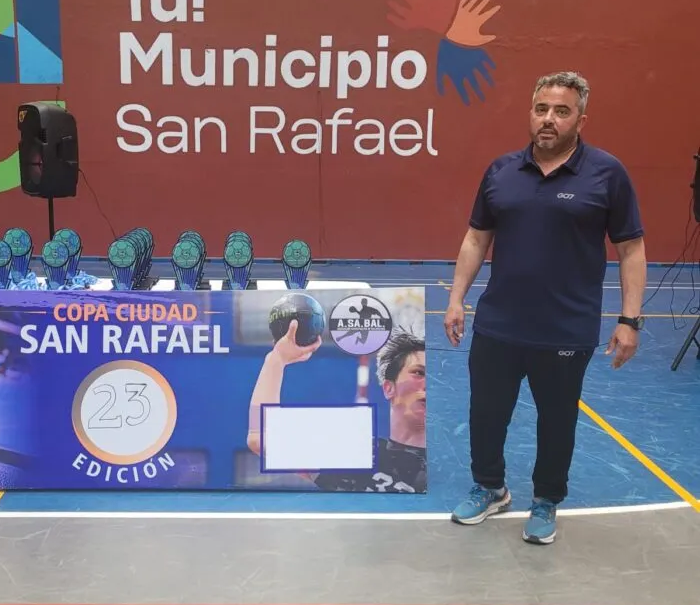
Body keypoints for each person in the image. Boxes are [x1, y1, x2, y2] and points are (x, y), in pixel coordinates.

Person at [444, 71, 646, 544]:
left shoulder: (607, 173)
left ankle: (546, 499)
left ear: (581, 120)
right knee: (486, 414)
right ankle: (490, 488)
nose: (549, 119)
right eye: (541, 109)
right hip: (499, 323)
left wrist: (629, 319)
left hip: (566, 328)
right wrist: (456, 298)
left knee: (557, 421)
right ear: (530, 114)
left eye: (561, 111)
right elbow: (476, 238)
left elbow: (631, 248)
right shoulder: (501, 171)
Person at [246, 322, 427, 492]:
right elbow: (261, 438)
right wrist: (276, 360)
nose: (431, 383)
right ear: (389, 388)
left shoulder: (444, 466)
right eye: (419, 373)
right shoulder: (355, 452)